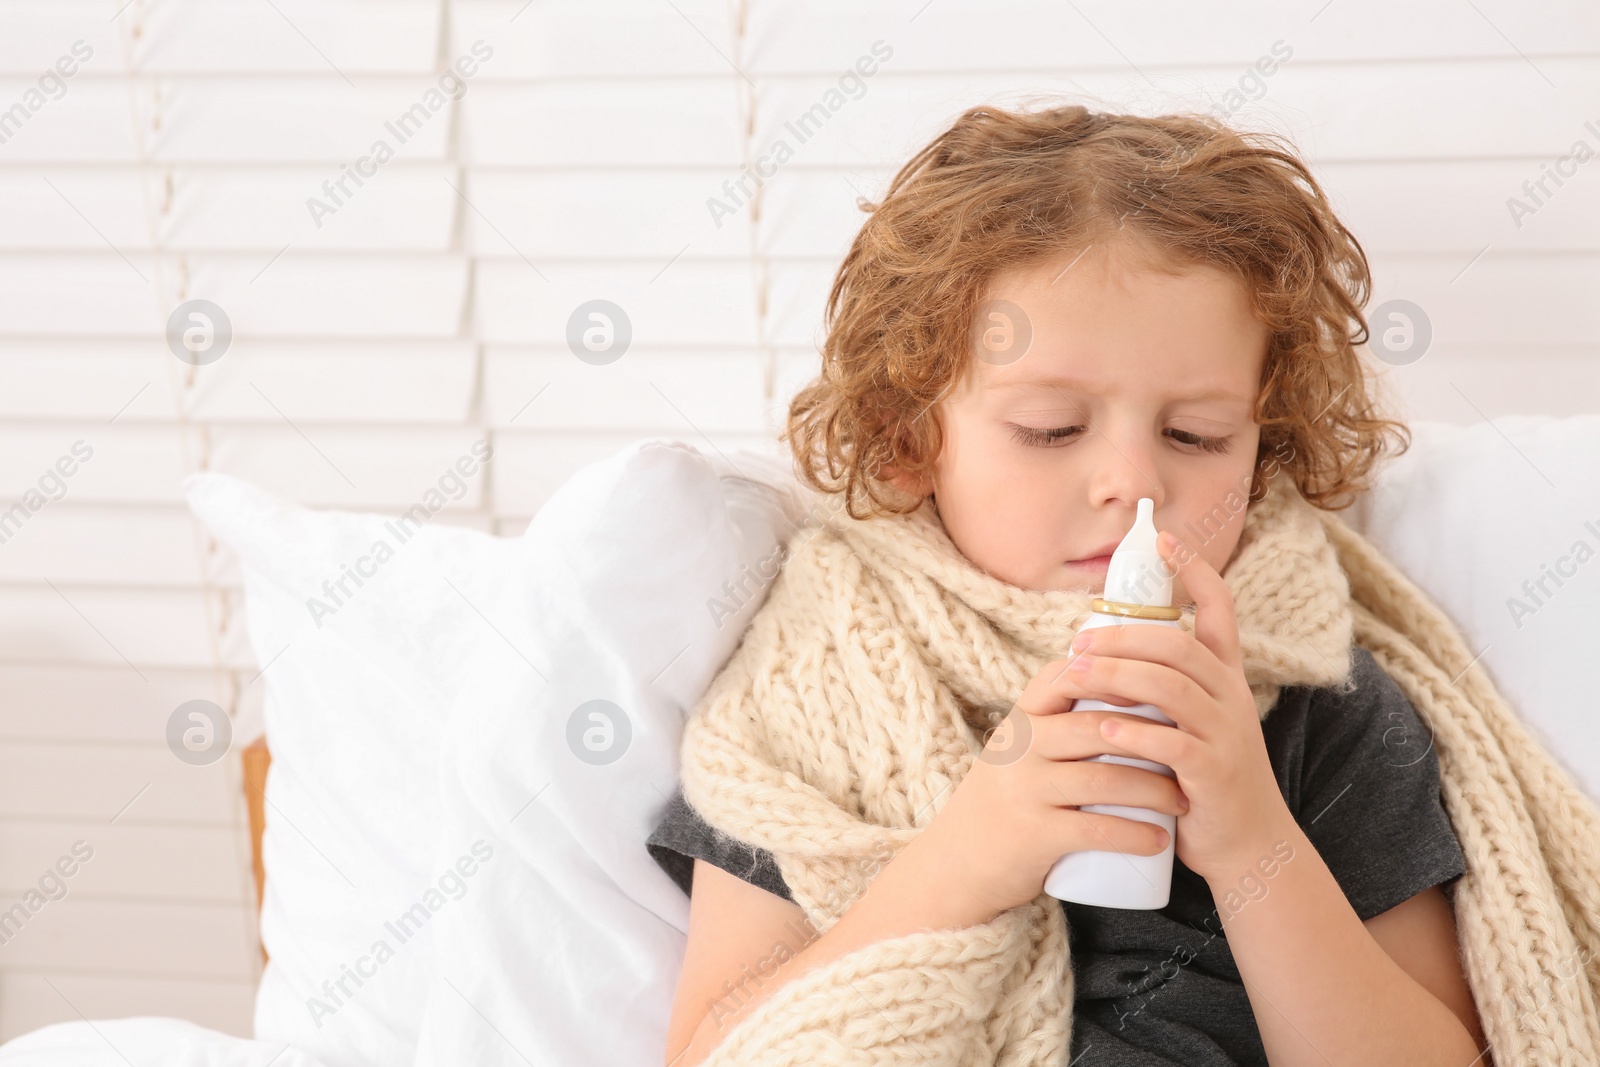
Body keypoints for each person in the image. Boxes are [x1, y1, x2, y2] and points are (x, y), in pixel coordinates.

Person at [649, 102, 1489, 1065]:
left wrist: (1256, 843)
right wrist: (964, 859)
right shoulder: (802, 702)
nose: (1133, 480)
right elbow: (716, 1047)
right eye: (1052, 427)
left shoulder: (1319, 709)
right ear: (907, 438)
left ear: (1263, 456)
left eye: (1196, 436)